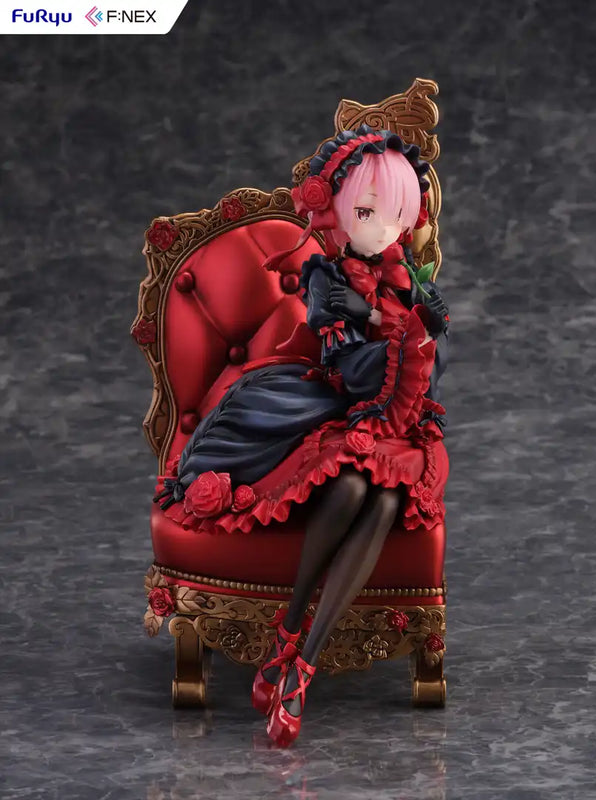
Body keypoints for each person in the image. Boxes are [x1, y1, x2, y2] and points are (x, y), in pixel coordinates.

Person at [153, 124, 450, 747]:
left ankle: (297, 664)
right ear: (337, 209)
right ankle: (291, 633)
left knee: (386, 499)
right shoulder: (327, 278)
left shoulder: (409, 278)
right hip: (329, 406)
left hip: (393, 424)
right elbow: (349, 366)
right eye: (366, 212)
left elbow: (431, 368)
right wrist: (395, 330)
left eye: (396, 215)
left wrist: (416, 335)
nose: (382, 229)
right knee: (351, 490)